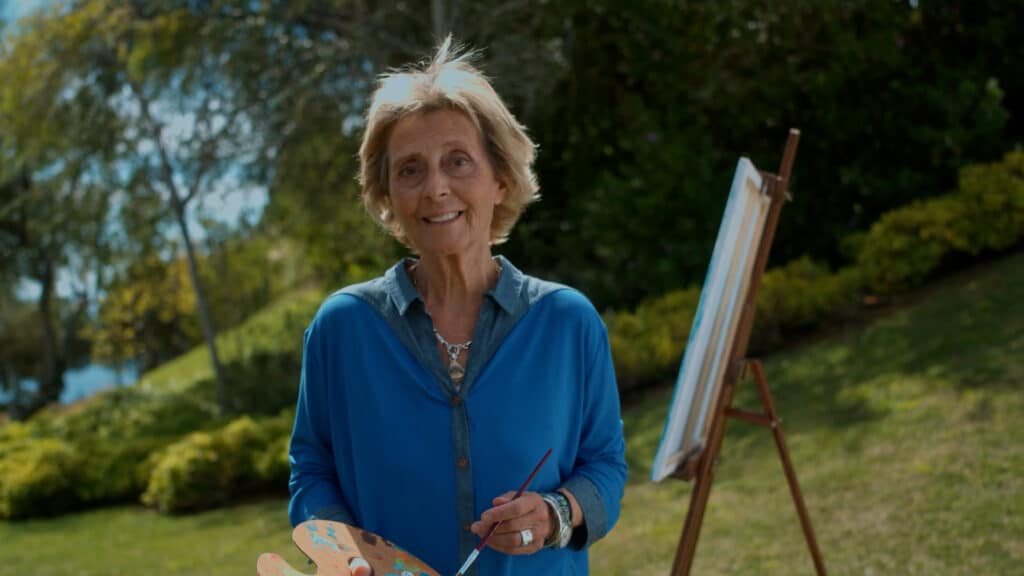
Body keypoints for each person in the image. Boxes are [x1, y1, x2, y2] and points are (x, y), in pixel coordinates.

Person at [287, 36, 628, 576]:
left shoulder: (569, 322)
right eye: (410, 169)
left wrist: (555, 514)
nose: (435, 188)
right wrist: (343, 553)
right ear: (387, 195)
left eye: (458, 161)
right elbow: (311, 470)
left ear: (500, 179)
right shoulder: (342, 328)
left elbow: (605, 465)